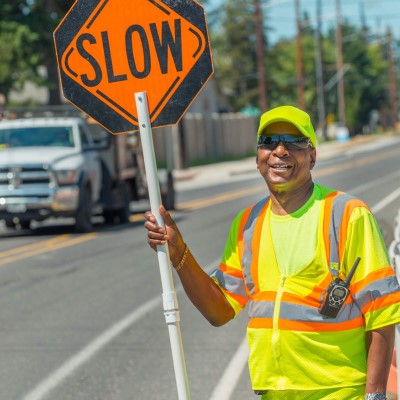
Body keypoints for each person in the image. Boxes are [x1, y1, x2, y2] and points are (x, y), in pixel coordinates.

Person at [144, 105, 400, 400]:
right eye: (269, 141)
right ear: (257, 158)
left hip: (340, 392)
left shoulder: (346, 214)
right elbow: (219, 310)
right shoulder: (247, 225)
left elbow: (382, 311)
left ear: (312, 156)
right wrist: (179, 255)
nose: (280, 151)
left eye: (294, 142)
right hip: (274, 393)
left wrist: (375, 395)